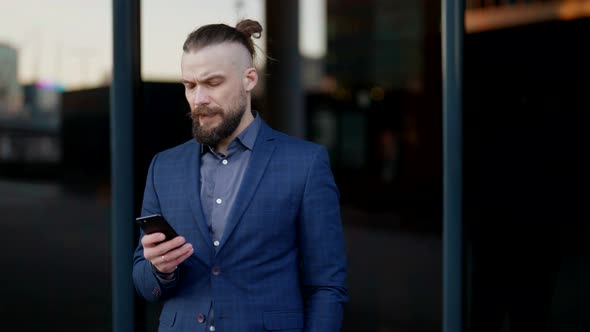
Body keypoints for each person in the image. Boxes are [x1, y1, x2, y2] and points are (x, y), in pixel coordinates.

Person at [132, 19, 348, 332]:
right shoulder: (164, 166)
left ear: (249, 79)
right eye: (190, 86)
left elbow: (327, 287)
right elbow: (143, 282)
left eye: (213, 83)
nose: (198, 99)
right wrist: (159, 270)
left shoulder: (305, 163)